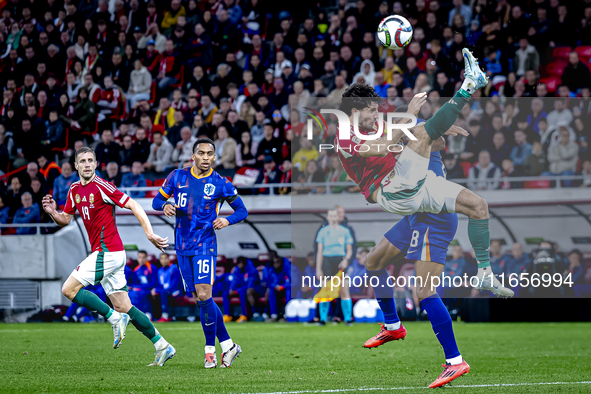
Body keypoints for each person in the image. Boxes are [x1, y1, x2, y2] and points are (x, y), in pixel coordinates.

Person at [41, 147, 175, 366]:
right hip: (108, 254)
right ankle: (162, 345)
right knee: (125, 306)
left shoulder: (102, 186)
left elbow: (133, 203)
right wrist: (53, 214)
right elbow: (66, 218)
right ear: (76, 165)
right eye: (82, 161)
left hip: (108, 252)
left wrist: (149, 233)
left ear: (95, 164)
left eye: (90, 160)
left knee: (68, 290)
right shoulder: (74, 189)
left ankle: (114, 318)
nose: (86, 164)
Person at [151, 137, 248, 368]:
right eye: (201, 153)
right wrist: (164, 205)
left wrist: (227, 220)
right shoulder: (177, 176)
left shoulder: (221, 183)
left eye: (210, 154)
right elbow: (156, 200)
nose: (206, 158)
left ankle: (209, 352)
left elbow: (242, 210)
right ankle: (229, 346)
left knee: (205, 295)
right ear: (193, 156)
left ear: (214, 157)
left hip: (205, 245)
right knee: (199, 299)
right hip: (182, 246)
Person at [315, 209, 353, 326]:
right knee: (325, 290)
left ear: (338, 217)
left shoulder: (345, 231)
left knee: (344, 290)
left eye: (334, 215)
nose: (332, 218)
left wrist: (346, 260)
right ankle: (323, 319)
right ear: (327, 217)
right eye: (330, 215)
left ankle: (347, 319)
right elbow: (319, 252)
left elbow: (349, 250)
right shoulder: (322, 231)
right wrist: (318, 269)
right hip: (327, 261)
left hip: (340, 261)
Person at [154, 253, 184, 322]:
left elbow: (174, 285)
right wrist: (155, 290)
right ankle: (152, 315)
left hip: (176, 291)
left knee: (163, 292)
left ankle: (165, 315)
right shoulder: (160, 271)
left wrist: (158, 290)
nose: (164, 260)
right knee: (151, 293)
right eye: (162, 258)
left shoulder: (174, 268)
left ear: (169, 259)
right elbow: (159, 284)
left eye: (165, 258)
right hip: (165, 291)